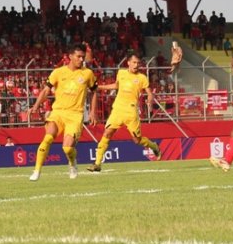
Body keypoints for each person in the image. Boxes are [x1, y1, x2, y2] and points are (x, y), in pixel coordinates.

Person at [28, 43, 98, 181]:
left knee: (67, 148)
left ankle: (72, 164)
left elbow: (94, 92)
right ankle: (36, 170)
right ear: (70, 56)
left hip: (75, 115)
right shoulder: (58, 72)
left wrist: (92, 112)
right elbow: (46, 91)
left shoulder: (87, 73)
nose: (81, 59)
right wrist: (35, 106)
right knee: (48, 138)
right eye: (78, 56)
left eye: (83, 57)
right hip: (58, 112)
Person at [88, 53, 161, 172]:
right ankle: (97, 164)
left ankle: (153, 146)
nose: (136, 65)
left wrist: (150, 99)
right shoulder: (121, 73)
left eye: (138, 63)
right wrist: (100, 87)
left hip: (131, 111)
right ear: (128, 62)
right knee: (107, 133)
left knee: (137, 140)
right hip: (117, 109)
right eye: (134, 62)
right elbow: (116, 86)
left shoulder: (142, 78)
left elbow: (150, 93)